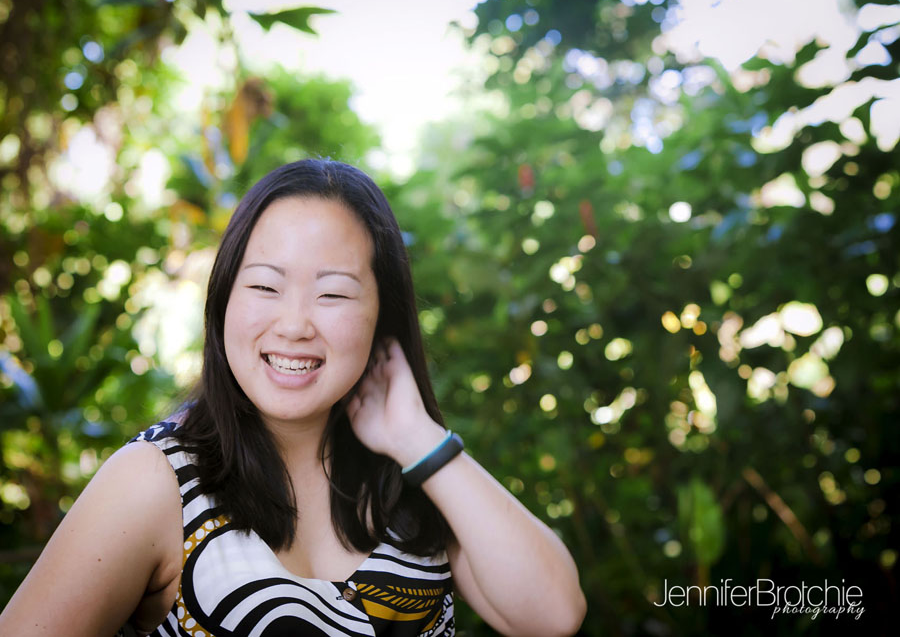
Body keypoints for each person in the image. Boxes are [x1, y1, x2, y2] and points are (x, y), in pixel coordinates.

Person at [0, 159, 587, 636]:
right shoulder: (155, 481)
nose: (295, 324)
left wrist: (418, 439)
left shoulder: (414, 477)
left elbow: (553, 616)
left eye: (332, 294)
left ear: (384, 316)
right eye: (264, 286)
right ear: (224, 298)